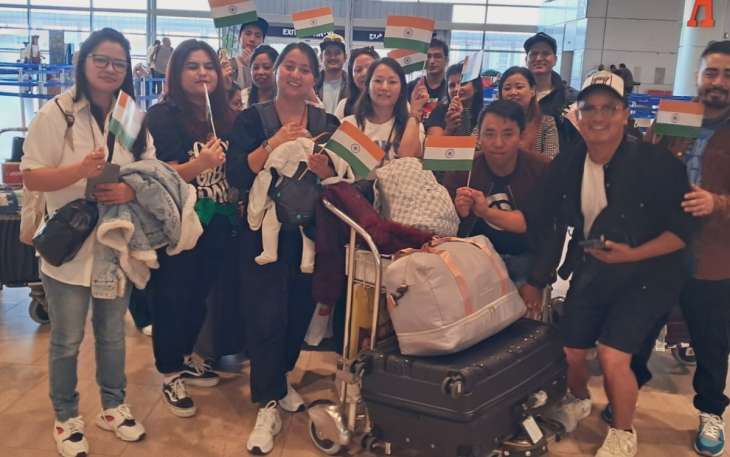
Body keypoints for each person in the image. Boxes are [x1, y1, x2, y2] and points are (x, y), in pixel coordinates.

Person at [521, 71, 695, 457]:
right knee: (569, 351)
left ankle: (623, 431)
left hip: (649, 275)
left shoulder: (657, 163)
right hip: (595, 270)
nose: (598, 117)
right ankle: (580, 400)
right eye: (589, 109)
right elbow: (548, 223)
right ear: (578, 117)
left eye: (609, 109)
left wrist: (633, 254)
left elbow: (683, 232)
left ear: (625, 114)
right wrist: (535, 278)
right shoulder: (568, 164)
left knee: (614, 355)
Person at [20, 27, 151, 457]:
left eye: (119, 63)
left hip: (115, 243)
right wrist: (80, 170)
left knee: (113, 334)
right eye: (102, 60)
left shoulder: (131, 115)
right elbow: (32, 176)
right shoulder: (58, 112)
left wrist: (130, 190)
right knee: (67, 339)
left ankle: (113, 406)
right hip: (69, 246)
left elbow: (148, 170)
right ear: (84, 61)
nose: (111, 69)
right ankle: (66, 415)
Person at [226, 42, 341, 455]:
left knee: (297, 312)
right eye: (288, 66)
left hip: (310, 232)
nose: (296, 74)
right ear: (275, 71)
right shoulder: (250, 119)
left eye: (304, 69)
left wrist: (326, 168)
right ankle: (268, 401)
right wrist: (273, 142)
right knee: (264, 315)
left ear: (315, 77)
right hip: (262, 235)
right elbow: (237, 173)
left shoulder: (327, 121)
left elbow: (341, 178)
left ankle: (281, 376)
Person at [645, 40, 730, 457]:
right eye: (711, 72)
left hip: (715, 255)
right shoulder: (674, 119)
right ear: (697, 76)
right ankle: (625, 393)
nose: (717, 82)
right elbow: (643, 170)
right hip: (661, 250)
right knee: (640, 327)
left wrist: (718, 203)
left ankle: (712, 410)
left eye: (727, 75)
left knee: (712, 341)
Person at [146, 39, 238, 418]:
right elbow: (157, 175)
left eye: (209, 67)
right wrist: (199, 164)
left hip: (217, 219)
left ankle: (184, 355)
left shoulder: (225, 115)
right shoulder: (161, 116)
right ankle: (169, 371)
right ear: (176, 71)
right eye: (193, 66)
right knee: (172, 295)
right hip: (179, 220)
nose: (203, 73)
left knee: (200, 293)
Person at [444, 99, 548, 284]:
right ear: (479, 137)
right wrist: (458, 211)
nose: (498, 143)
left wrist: (536, 282)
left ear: (521, 136)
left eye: (507, 134)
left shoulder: (541, 169)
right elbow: (445, 226)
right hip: (475, 257)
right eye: (489, 134)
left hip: (526, 259)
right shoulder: (464, 169)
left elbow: (537, 226)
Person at [342, 57, 428, 162]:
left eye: (392, 82)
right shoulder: (350, 125)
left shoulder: (412, 125)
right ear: (367, 86)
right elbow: (340, 171)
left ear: (401, 89)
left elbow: (407, 158)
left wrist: (415, 112)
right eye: (378, 81)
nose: (384, 87)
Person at [499, 66, 578, 160]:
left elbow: (551, 160)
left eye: (519, 87)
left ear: (532, 90)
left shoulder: (546, 123)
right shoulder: (490, 120)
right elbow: (477, 148)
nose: (513, 92)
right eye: (507, 88)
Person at [523, 32, 578, 119]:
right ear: (526, 60)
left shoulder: (571, 98)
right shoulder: (515, 93)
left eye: (545, 53)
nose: (539, 58)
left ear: (555, 60)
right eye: (534, 54)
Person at [425, 62, 484, 137]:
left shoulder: (486, 114)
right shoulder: (439, 112)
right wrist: (449, 129)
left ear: (476, 86)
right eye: (452, 85)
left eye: (463, 83)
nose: (457, 89)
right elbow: (433, 146)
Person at [335, 46, 379, 120]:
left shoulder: (392, 101)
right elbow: (335, 131)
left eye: (369, 68)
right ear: (352, 76)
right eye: (358, 70)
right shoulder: (344, 106)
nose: (364, 73)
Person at [406, 38, 449, 104]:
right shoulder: (411, 87)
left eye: (437, 56)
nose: (432, 61)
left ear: (446, 60)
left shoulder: (450, 89)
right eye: (428, 56)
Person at [231, 17, 269, 90]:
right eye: (248, 34)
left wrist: (250, 65)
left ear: (263, 40)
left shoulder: (267, 67)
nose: (252, 39)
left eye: (257, 36)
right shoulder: (230, 65)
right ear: (239, 37)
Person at [315, 33, 348, 115]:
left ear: (345, 58)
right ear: (321, 58)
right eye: (328, 53)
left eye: (337, 53)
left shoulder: (353, 85)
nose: (332, 57)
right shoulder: (311, 84)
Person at [241, 44, 278, 110]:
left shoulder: (285, 100)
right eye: (256, 68)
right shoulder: (243, 97)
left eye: (266, 67)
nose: (260, 72)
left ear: (277, 69)